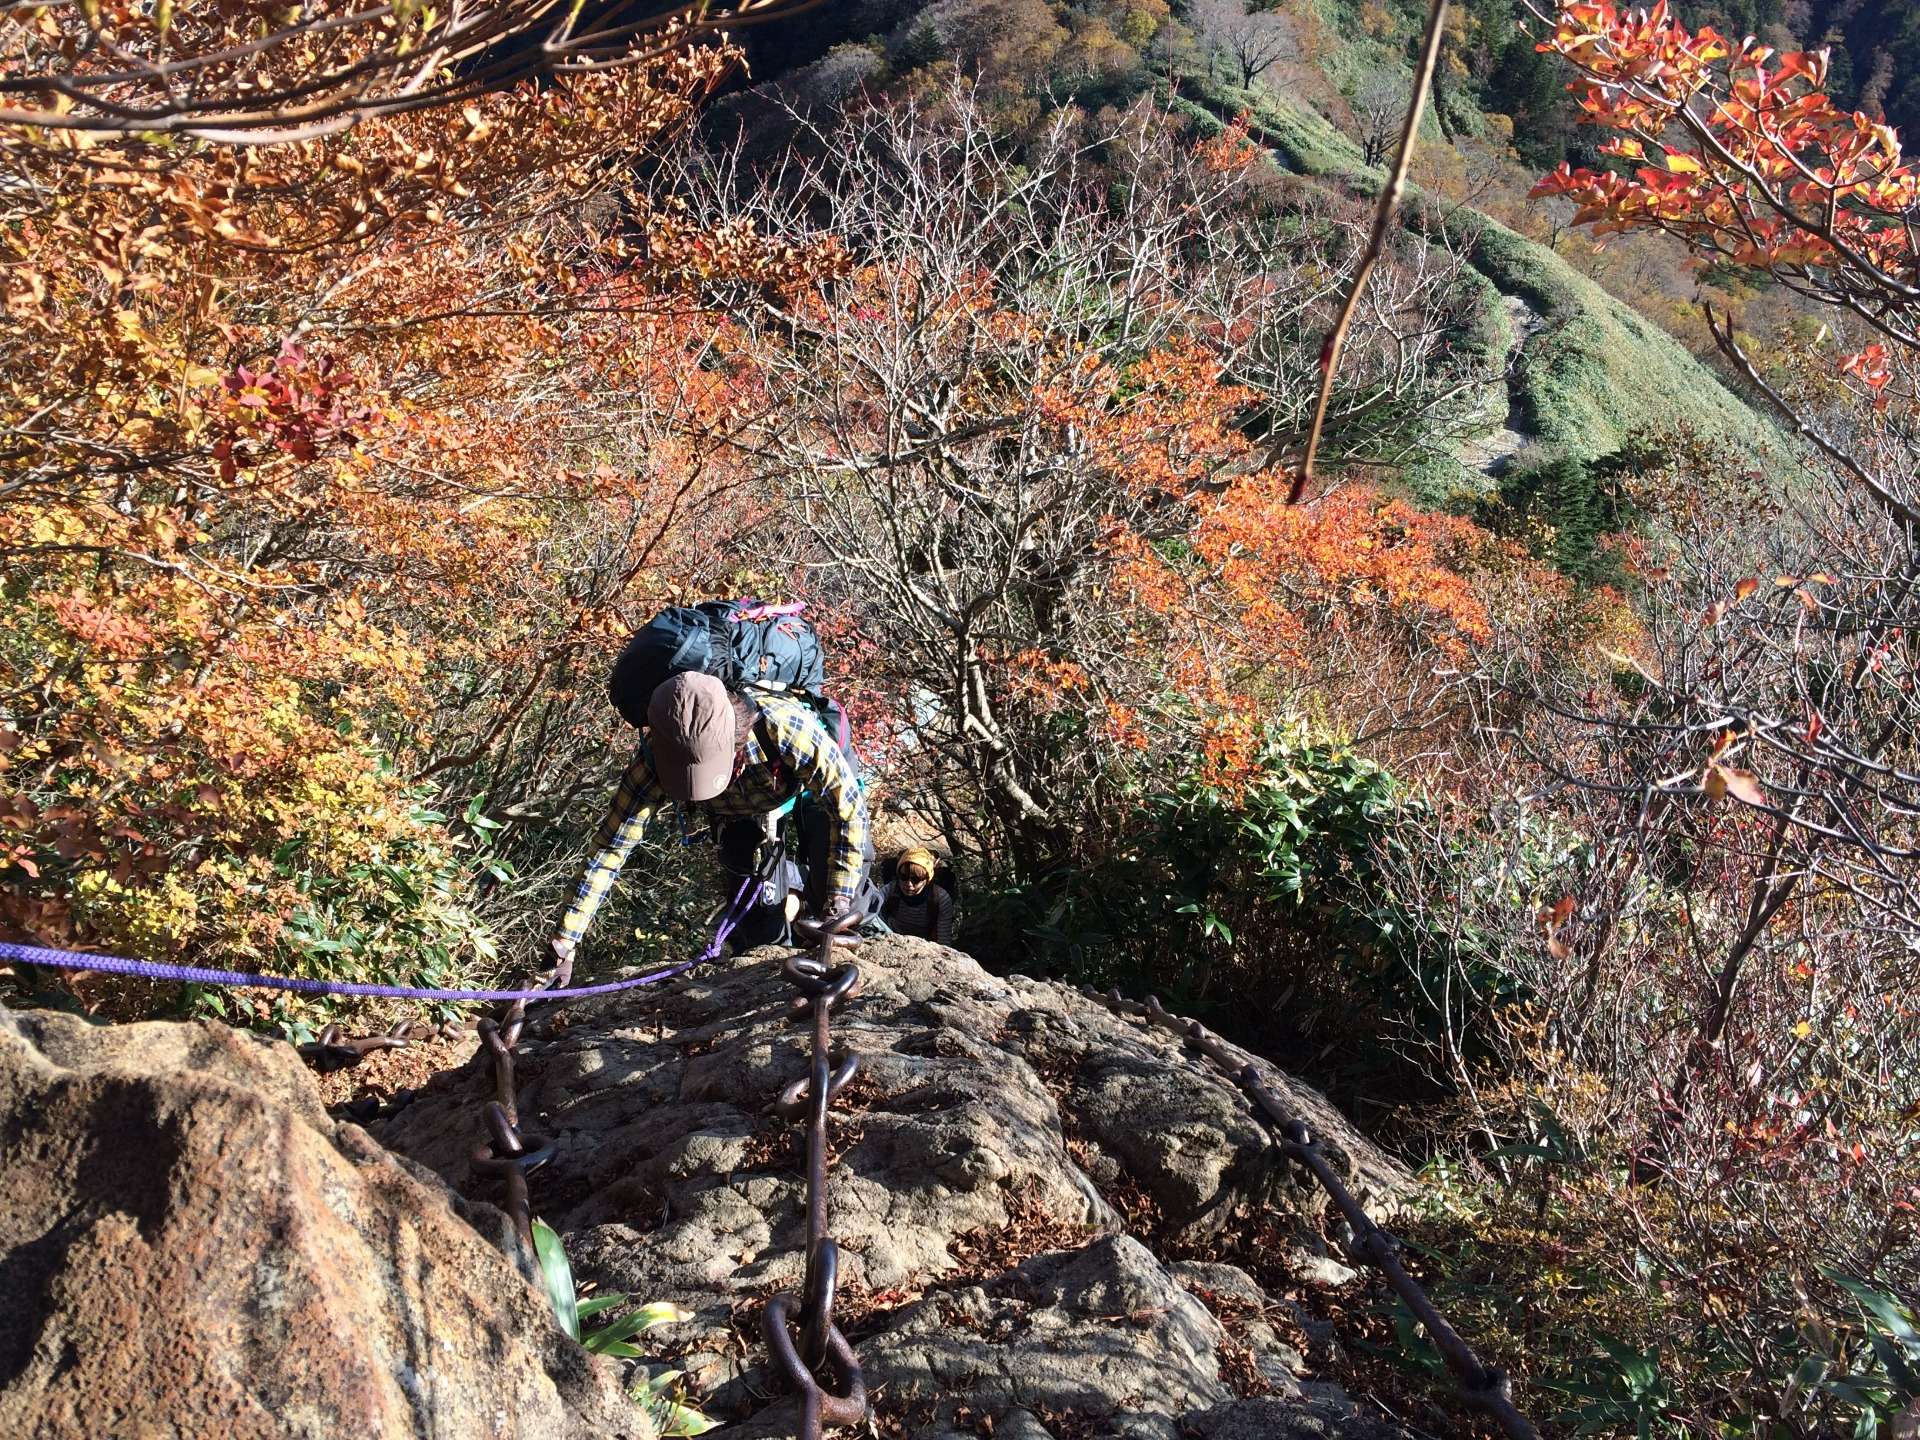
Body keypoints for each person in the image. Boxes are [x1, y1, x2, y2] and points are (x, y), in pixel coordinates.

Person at [549, 671, 875, 961]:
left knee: (838, 897)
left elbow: (848, 811)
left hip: (810, 795)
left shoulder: (783, 727)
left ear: (736, 746)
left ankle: (870, 944)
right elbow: (610, 849)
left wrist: (838, 905)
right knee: (758, 928)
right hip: (737, 816)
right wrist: (564, 941)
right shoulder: (654, 758)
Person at [879, 845, 956, 945]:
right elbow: (872, 909)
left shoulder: (940, 898)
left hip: (924, 945)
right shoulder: (891, 889)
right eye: (904, 877)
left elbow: (944, 940)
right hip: (890, 938)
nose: (909, 884)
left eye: (916, 879)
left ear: (927, 879)